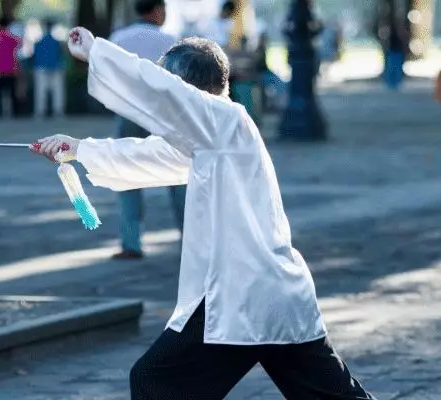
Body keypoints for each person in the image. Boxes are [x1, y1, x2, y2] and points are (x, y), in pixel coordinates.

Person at [33, 27, 376, 400]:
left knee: (156, 381)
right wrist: (79, 149)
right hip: (273, 294)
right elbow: (149, 156)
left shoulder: (221, 121)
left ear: (190, 91)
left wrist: (96, 52)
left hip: (240, 293)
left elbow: (160, 91)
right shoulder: (214, 136)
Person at [103, 0, 184, 260]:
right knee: (178, 177)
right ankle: (191, 239)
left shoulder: (118, 38)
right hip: (164, 116)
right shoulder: (171, 41)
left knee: (128, 177)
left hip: (129, 112)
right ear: (158, 11)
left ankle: (131, 242)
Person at [0, 17, 22, 119]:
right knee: (12, 92)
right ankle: (14, 112)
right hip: (10, 69)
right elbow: (19, 43)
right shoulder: (10, 37)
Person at [32, 20, 66, 118]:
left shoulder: (38, 42)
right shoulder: (57, 42)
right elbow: (60, 55)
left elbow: (35, 56)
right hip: (55, 68)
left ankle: (40, 111)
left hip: (41, 67)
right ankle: (58, 110)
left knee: (40, 91)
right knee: (58, 91)